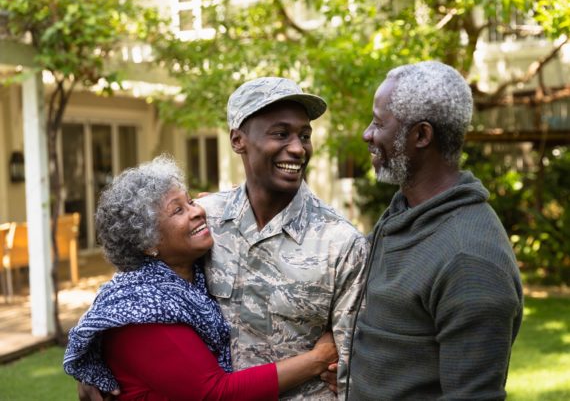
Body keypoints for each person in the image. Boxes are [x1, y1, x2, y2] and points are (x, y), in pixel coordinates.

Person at [77, 77, 368, 400]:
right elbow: (135, 283)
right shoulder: (204, 219)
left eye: (304, 135)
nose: (298, 148)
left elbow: (352, 362)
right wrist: (94, 359)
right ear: (238, 140)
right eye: (281, 134)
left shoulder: (342, 243)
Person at [64, 155, 338, 400]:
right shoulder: (141, 311)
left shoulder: (190, 272)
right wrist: (318, 359)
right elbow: (214, 393)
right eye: (178, 210)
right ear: (147, 242)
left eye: (191, 201)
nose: (198, 211)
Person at [346, 61, 524, 400]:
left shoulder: (469, 260)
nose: (367, 134)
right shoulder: (405, 212)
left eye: (379, 123)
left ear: (421, 135)